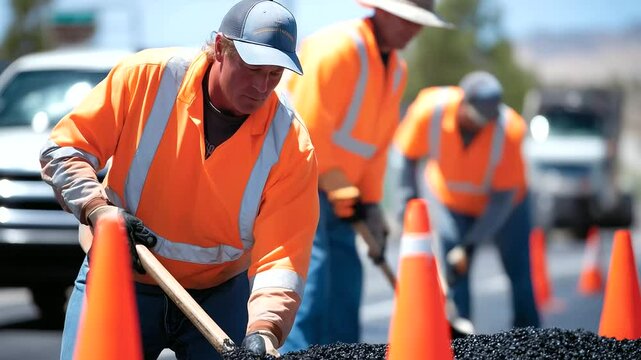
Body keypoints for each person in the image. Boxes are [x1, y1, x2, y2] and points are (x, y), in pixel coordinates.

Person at [40, 1, 319, 359]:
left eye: (274, 74)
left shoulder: (291, 144)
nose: (261, 86)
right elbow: (63, 151)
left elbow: (282, 260)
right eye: (252, 68)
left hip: (218, 295)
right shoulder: (146, 78)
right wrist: (97, 209)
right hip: (120, 278)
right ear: (220, 47)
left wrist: (266, 328)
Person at [280, 0, 452, 351]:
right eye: (407, 20)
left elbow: (376, 145)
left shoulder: (396, 70)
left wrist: (371, 202)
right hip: (300, 180)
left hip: (343, 193)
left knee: (346, 282)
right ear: (382, 11)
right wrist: (344, 193)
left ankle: (343, 352)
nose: (414, 29)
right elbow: (305, 130)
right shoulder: (338, 49)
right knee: (313, 278)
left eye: (419, 22)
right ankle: (297, 353)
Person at [393, 71, 541, 329]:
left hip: (506, 210)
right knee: (455, 272)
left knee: (519, 274)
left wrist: (471, 245)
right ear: (463, 102)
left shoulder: (509, 130)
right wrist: (408, 207)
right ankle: (460, 336)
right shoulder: (430, 110)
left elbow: (502, 199)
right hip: (452, 202)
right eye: (476, 118)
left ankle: (530, 336)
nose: (481, 125)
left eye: (487, 120)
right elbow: (407, 158)